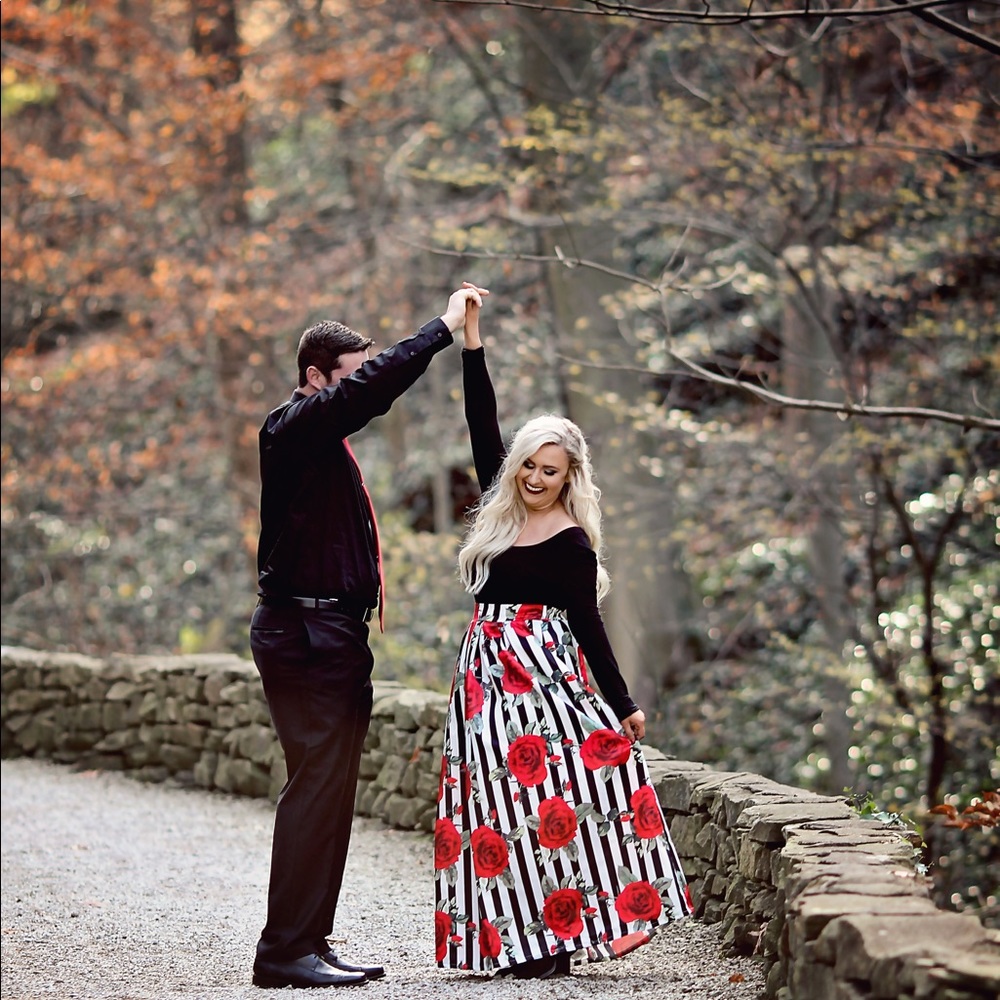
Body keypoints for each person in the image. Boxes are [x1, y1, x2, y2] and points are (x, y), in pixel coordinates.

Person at [434, 288, 692, 980]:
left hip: (545, 676)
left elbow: (588, 626)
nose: (537, 479)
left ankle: (562, 935)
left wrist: (623, 703)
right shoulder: (498, 507)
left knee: (555, 803)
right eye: (529, 466)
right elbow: (479, 416)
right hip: (484, 678)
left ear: (570, 475)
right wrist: (473, 340)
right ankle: (512, 940)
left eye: (551, 471)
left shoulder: (574, 546)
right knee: (495, 805)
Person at [249, 285, 487, 990]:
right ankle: (284, 951)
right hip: (306, 631)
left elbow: (365, 396)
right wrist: (441, 330)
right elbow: (371, 394)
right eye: (349, 376)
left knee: (327, 790)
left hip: (329, 633)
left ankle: (307, 943)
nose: (357, 391)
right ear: (316, 376)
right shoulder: (292, 426)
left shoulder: (321, 444)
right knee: (315, 788)